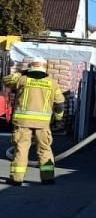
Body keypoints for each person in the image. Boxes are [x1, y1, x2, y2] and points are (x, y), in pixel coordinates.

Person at [2, 58, 65, 186]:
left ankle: (17, 178)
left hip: (22, 122)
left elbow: (6, 80)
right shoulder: (52, 83)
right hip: (43, 124)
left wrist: (21, 72)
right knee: (45, 150)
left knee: (21, 149)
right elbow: (59, 104)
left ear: (30, 67)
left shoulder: (22, 79)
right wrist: (58, 119)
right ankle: (47, 178)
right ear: (45, 68)